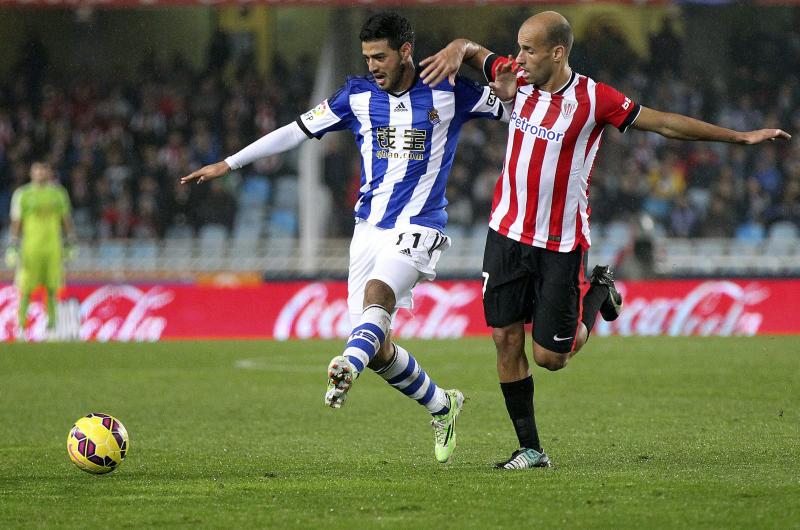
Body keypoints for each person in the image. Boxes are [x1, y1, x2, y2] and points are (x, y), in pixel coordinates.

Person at [420, 11, 791, 469]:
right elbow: (473, 49)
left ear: (557, 53)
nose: (518, 58)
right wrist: (457, 51)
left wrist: (737, 137)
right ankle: (531, 450)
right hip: (506, 233)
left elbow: (665, 123)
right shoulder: (514, 74)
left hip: (560, 243)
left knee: (552, 358)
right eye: (517, 48)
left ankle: (599, 292)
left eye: (529, 50)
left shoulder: (595, 99)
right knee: (504, 338)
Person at [181, 12, 505, 463]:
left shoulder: (448, 89)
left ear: (405, 51)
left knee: (378, 299)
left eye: (380, 56)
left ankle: (344, 365)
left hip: (420, 225)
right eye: (367, 56)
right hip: (368, 230)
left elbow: (517, 97)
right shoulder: (355, 95)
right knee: (377, 347)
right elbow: (294, 131)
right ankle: (442, 404)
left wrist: (469, 51)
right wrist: (229, 163)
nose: (372, 64)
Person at [5, 161, 77, 341]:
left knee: (53, 288)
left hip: (53, 248)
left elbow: (66, 219)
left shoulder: (58, 194)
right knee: (25, 288)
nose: (40, 173)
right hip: (30, 248)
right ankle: (21, 328)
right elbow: (16, 221)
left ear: (49, 172)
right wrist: (13, 245)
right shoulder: (22, 194)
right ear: (31, 173)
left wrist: (71, 241)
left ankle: (52, 328)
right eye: (37, 170)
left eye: (44, 170)